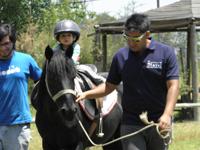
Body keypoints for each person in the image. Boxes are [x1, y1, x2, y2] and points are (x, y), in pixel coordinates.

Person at [76, 13, 179, 150]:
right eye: (127, 38)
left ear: (147, 34)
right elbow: (109, 87)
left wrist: (167, 115)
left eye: (136, 39)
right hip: (131, 123)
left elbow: (173, 86)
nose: (131, 43)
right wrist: (87, 94)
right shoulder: (121, 57)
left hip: (159, 122)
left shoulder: (166, 53)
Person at [0, 24, 42, 150]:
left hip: (17, 125)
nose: (4, 47)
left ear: (13, 41)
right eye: (1, 44)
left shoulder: (26, 60)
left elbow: (41, 82)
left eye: (7, 43)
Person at [53, 19, 105, 85]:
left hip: (74, 67)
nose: (66, 38)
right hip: (60, 68)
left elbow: (74, 58)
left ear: (74, 37)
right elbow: (53, 56)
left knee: (86, 69)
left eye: (69, 35)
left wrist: (68, 62)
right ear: (58, 38)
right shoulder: (56, 47)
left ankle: (101, 81)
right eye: (63, 36)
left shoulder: (76, 46)